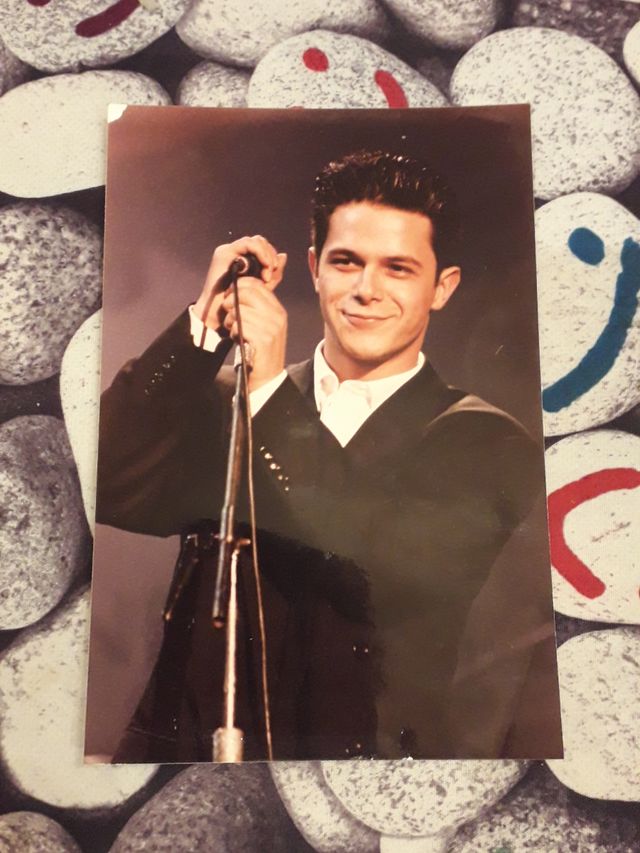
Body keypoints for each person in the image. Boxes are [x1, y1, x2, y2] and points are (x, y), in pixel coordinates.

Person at [97, 150, 561, 762]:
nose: (366, 290)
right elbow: (111, 485)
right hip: (189, 757)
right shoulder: (228, 399)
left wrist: (269, 392)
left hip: (353, 771)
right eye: (347, 262)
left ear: (442, 288)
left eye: (398, 269)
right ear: (315, 268)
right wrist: (201, 328)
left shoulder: (487, 440)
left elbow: (374, 567)